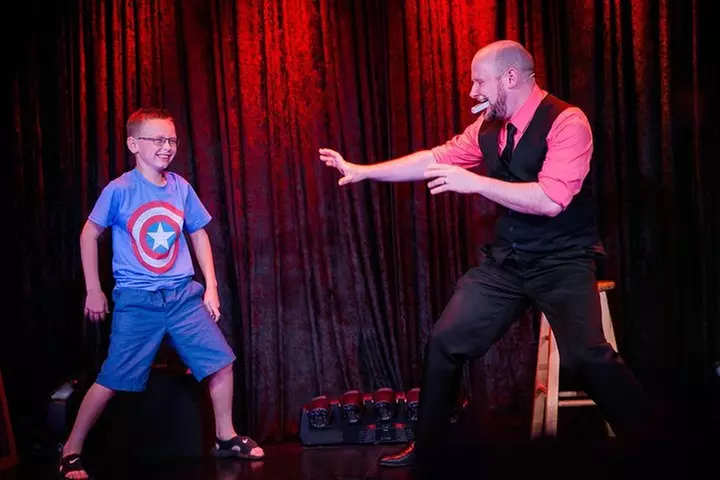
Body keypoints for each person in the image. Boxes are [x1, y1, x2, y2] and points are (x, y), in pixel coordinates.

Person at [319, 40, 657, 468]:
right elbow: (434, 159)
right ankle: (429, 450)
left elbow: (551, 200)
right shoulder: (488, 128)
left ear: (510, 77)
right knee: (445, 342)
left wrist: (475, 183)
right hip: (507, 263)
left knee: (587, 357)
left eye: (480, 81)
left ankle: (652, 448)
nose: (472, 91)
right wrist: (364, 171)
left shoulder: (567, 122)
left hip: (562, 260)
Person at [58, 108, 264, 479]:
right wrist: (93, 289)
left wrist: (211, 287)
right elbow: (89, 233)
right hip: (138, 301)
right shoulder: (120, 190)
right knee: (112, 378)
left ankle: (225, 436)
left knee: (221, 362)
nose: (166, 146)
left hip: (182, 297)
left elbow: (197, 233)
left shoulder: (180, 187)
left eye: (171, 140)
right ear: (133, 144)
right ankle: (71, 449)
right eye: (157, 139)